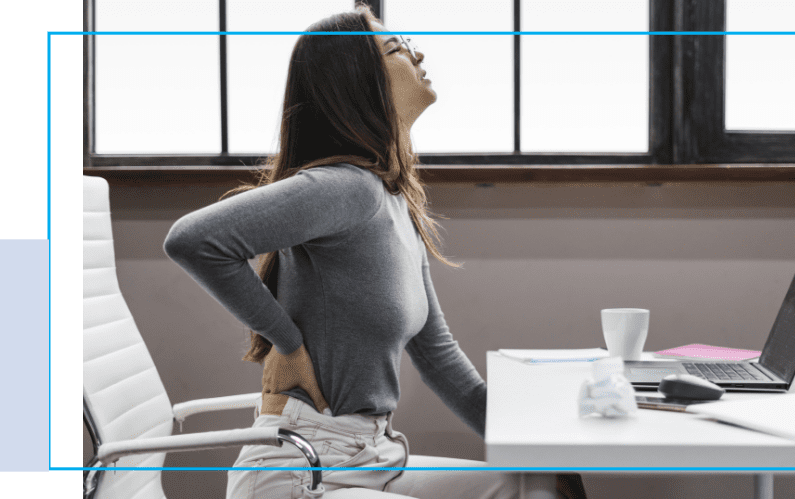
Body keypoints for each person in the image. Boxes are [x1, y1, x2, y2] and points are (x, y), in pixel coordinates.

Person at [163, 2, 586, 498]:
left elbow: (438, 354)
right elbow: (193, 240)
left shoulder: (391, 200)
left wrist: (537, 447)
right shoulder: (346, 188)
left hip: (373, 453)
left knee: (541, 485)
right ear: (358, 80)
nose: (417, 52)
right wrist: (287, 341)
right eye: (396, 48)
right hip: (299, 469)